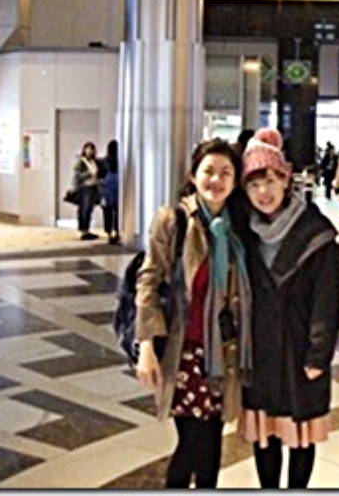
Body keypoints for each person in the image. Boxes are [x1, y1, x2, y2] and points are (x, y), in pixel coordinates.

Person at [135, 138, 250, 489]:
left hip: (222, 353)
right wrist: (146, 345)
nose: (216, 180)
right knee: (194, 444)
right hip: (183, 351)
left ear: (235, 181)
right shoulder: (174, 221)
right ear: (193, 175)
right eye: (209, 171)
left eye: (226, 173)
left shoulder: (238, 227)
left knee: (209, 444)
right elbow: (149, 280)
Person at [238, 128, 339, 489]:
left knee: (301, 434)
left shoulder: (316, 233)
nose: (263, 192)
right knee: (265, 433)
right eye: (254, 185)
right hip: (259, 350)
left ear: (285, 180)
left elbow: (327, 300)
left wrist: (319, 354)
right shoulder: (244, 233)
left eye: (270, 180)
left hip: (300, 350)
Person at [72, 141, 101, 240]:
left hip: (93, 187)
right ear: (84, 150)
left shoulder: (94, 161)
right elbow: (77, 175)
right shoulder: (81, 162)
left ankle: (87, 230)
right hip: (84, 187)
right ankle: (83, 230)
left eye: (92, 149)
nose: (90, 151)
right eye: (87, 149)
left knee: (89, 209)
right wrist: (88, 173)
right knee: (85, 208)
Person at [99, 139, 120, 244]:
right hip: (118, 187)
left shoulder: (104, 161)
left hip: (106, 188)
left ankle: (109, 232)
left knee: (107, 211)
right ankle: (117, 231)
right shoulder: (120, 160)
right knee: (117, 211)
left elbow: (100, 175)